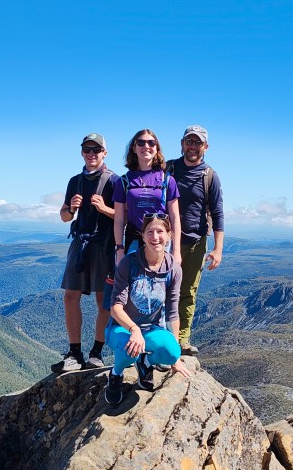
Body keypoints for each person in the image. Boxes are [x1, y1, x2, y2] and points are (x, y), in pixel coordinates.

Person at [104, 212, 192, 406]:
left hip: (152, 328)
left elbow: (172, 312)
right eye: (150, 232)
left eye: (160, 231)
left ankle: (145, 363)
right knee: (130, 349)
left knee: (172, 352)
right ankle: (116, 374)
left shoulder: (173, 269)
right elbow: (115, 307)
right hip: (122, 327)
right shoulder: (129, 263)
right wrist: (133, 329)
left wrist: (176, 357)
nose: (155, 237)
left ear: (169, 235)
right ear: (142, 236)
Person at [52, 133, 118, 373]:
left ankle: (96, 353)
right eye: (87, 150)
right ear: (81, 153)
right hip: (80, 243)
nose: (91, 154)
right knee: (70, 296)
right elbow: (64, 216)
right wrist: (72, 208)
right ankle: (75, 353)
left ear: (104, 153)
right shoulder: (75, 181)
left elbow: (124, 216)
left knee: (103, 299)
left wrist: (104, 209)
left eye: (96, 150)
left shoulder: (114, 181)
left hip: (105, 245)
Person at [166, 125, 225, 354]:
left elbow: (218, 213)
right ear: (182, 144)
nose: (192, 146)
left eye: (197, 142)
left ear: (205, 147)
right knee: (158, 289)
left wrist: (218, 249)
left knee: (187, 291)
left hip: (195, 241)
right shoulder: (168, 168)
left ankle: (182, 338)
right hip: (163, 240)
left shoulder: (210, 176)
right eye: (189, 141)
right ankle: (159, 336)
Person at [112, 128, 182, 267]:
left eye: (151, 143)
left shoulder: (167, 180)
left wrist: (176, 250)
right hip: (134, 240)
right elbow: (119, 219)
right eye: (141, 143)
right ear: (134, 148)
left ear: (157, 148)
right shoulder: (124, 181)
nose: (146, 146)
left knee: (159, 279)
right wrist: (119, 249)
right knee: (133, 279)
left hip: (160, 241)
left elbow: (175, 217)